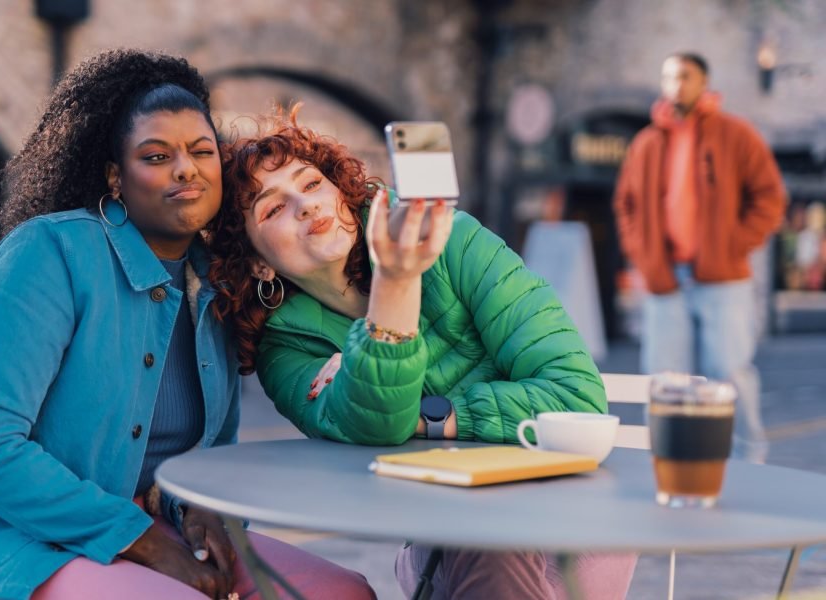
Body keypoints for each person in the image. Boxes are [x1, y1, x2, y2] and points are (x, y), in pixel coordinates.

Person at [0, 50, 375, 600]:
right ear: (117, 177)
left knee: (340, 591)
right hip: (7, 538)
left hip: (141, 529)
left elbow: (210, 447)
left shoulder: (215, 283)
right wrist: (143, 539)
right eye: (157, 155)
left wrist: (197, 511)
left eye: (201, 151)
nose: (185, 168)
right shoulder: (48, 256)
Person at [207, 108, 636, 599]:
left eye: (310, 183)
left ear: (341, 193)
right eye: (272, 208)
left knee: (486, 529)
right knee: (481, 530)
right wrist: (397, 282)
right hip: (448, 539)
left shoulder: (455, 241)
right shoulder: (285, 348)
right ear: (258, 264)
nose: (303, 205)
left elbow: (576, 397)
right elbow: (378, 424)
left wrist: (431, 417)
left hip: (571, 524)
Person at [613, 52, 787, 463]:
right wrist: (644, 256)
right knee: (662, 380)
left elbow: (770, 197)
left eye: (685, 77)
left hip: (723, 279)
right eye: (669, 76)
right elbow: (626, 205)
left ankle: (749, 461)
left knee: (731, 374)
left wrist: (734, 244)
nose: (675, 85)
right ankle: (662, 460)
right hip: (665, 278)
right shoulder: (646, 143)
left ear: (703, 82)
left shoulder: (736, 135)